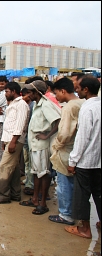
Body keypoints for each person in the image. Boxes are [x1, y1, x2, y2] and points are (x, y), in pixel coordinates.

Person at [65, 76, 101, 239]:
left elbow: (83, 137)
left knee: (82, 196)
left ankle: (85, 229)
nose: (76, 90)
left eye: (78, 87)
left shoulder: (87, 109)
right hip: (98, 161)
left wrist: (73, 161)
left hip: (86, 161)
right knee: (98, 194)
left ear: (86, 89)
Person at [19, 80, 61, 215]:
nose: (28, 95)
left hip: (42, 145)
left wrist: (47, 135)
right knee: (36, 172)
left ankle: (42, 203)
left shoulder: (46, 105)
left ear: (36, 92)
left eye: (30, 92)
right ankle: (35, 198)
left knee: (44, 173)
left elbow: (57, 121)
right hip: (35, 145)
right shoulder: (37, 105)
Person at [48, 77, 84, 225]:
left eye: (57, 93)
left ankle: (66, 214)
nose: (56, 97)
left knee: (64, 183)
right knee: (75, 185)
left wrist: (56, 145)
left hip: (67, 150)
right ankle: (75, 212)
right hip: (79, 150)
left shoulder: (70, 107)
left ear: (63, 91)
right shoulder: (83, 103)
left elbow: (65, 132)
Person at [0, 82, 29, 204]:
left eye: (7, 91)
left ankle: (3, 195)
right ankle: (15, 193)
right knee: (14, 167)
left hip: (15, 140)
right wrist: (4, 141)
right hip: (9, 139)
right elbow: (9, 123)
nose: (5, 94)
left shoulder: (21, 104)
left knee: (4, 166)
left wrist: (13, 142)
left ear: (13, 91)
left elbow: (20, 125)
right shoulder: (12, 104)